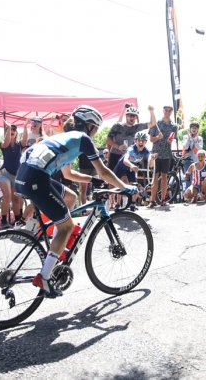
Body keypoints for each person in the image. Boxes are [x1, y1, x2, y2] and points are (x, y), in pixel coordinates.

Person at [14, 105, 137, 298]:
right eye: (96, 129)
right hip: (36, 179)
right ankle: (44, 278)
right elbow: (104, 170)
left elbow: (68, 174)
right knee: (67, 227)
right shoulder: (82, 139)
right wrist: (124, 187)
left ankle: (57, 246)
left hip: (25, 176)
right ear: (89, 126)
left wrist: (92, 179)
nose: (95, 133)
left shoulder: (64, 138)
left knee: (70, 196)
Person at [107, 105, 156, 208]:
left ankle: (126, 204)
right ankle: (106, 204)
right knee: (112, 181)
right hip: (116, 154)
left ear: (136, 118)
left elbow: (152, 124)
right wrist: (117, 146)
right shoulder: (117, 126)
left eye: (134, 116)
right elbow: (108, 140)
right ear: (126, 116)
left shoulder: (137, 127)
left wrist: (151, 112)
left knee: (126, 182)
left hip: (130, 157)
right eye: (130, 115)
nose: (131, 118)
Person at [113, 132, 156, 210]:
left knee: (134, 187)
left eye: (143, 141)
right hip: (121, 166)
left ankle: (132, 204)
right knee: (115, 184)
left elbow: (151, 165)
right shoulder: (131, 149)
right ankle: (116, 203)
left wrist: (152, 159)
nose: (140, 142)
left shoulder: (146, 151)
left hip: (131, 169)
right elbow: (125, 160)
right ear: (135, 141)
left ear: (146, 142)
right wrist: (132, 165)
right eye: (139, 140)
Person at [0, 121, 28, 227]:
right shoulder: (3, 143)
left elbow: (24, 140)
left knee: (16, 199)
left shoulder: (19, 145)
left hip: (16, 175)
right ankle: (3, 220)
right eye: (9, 130)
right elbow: (6, 143)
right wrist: (9, 128)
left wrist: (25, 127)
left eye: (14, 130)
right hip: (4, 174)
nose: (12, 131)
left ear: (16, 133)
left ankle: (17, 220)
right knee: (7, 196)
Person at [148, 106, 178, 207]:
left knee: (164, 177)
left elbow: (172, 139)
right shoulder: (156, 123)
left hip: (166, 153)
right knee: (155, 177)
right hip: (156, 154)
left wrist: (169, 140)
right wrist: (158, 137)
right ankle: (152, 200)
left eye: (169, 111)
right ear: (163, 111)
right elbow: (151, 139)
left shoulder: (173, 126)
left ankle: (163, 199)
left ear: (171, 112)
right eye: (166, 110)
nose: (167, 112)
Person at [181, 122, 204, 190]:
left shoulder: (200, 138)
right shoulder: (186, 137)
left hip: (196, 160)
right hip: (187, 160)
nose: (194, 129)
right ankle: (188, 194)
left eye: (195, 128)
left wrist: (196, 142)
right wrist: (188, 140)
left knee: (196, 177)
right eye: (192, 128)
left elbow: (200, 150)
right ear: (190, 129)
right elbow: (185, 147)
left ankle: (196, 193)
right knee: (188, 177)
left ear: (197, 129)